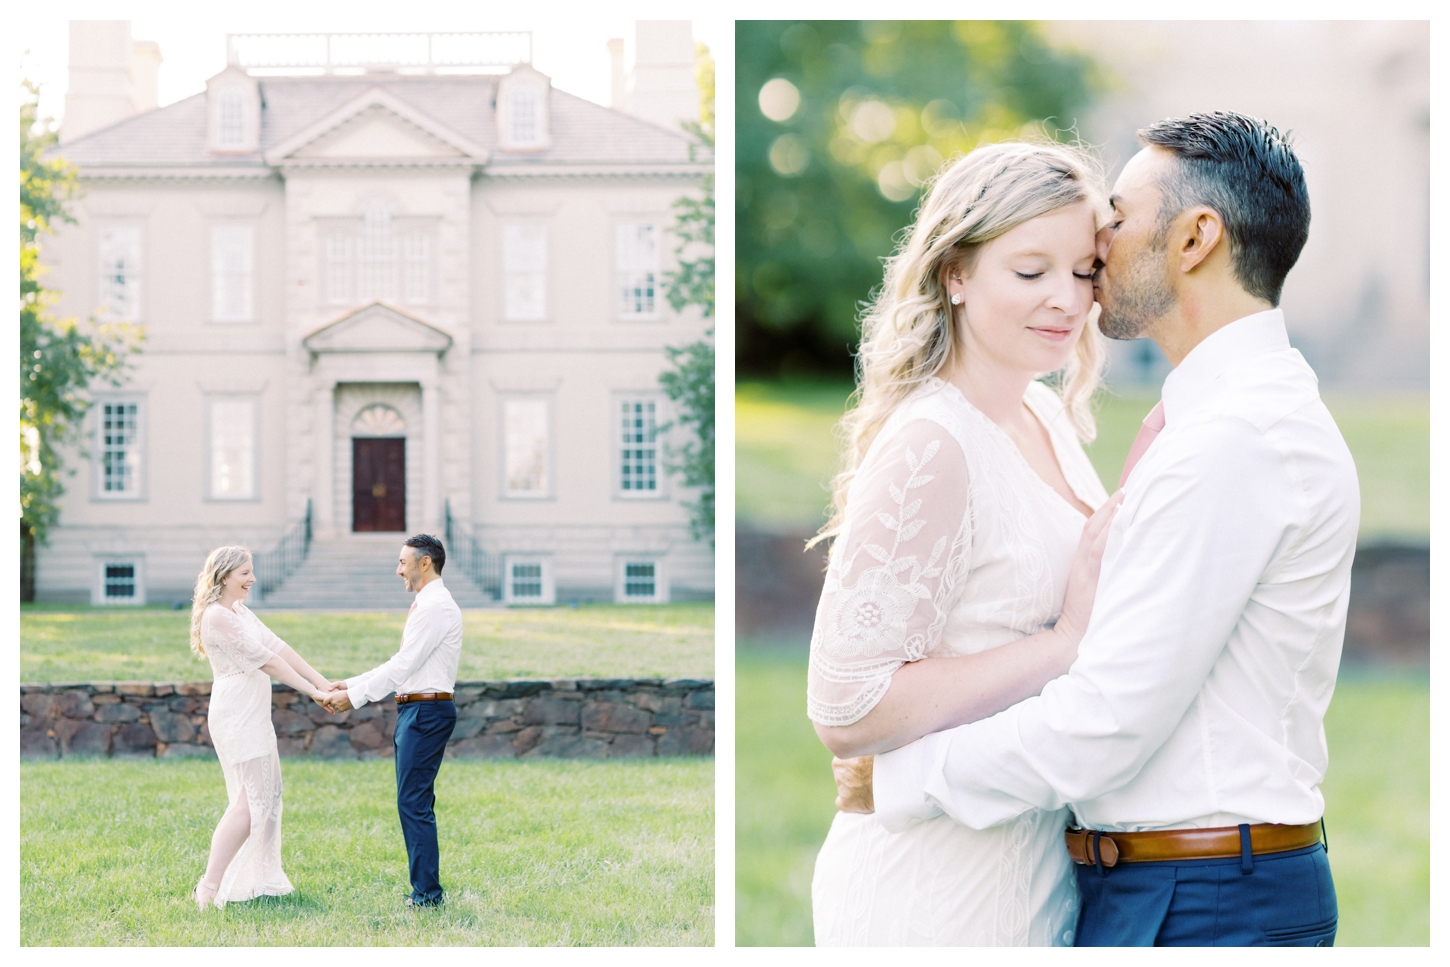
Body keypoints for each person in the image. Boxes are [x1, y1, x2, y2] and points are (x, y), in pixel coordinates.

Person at [843, 112, 1358, 947]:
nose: (1099, 240)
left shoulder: (1234, 441)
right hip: (1185, 882)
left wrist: (902, 776)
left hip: (1200, 900)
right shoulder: (1225, 422)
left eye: (1120, 215)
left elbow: (1104, 723)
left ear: (1195, 238)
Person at [806, 140, 1125, 946]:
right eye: (1030, 271)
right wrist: (1064, 645)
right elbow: (847, 705)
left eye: (1085, 271)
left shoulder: (1044, 416)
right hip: (932, 894)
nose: (1067, 299)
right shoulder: (933, 441)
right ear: (955, 272)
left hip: (1031, 873)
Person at [190, 546, 338, 911]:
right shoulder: (217, 617)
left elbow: (279, 647)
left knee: (269, 796)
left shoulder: (238, 611)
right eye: (245, 573)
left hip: (253, 712)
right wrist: (313, 692)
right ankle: (208, 889)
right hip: (237, 713)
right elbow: (268, 662)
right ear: (225, 576)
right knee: (249, 802)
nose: (252, 579)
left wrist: (324, 681)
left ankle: (261, 880)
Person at [321, 534, 462, 908]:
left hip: (426, 712)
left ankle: (427, 895)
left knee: (413, 803)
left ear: (424, 563)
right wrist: (351, 683)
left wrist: (353, 698)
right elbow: (400, 664)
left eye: (403, 562)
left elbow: (403, 666)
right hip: (418, 710)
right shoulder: (427, 604)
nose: (398, 569)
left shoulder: (435, 608)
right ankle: (425, 890)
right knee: (414, 802)